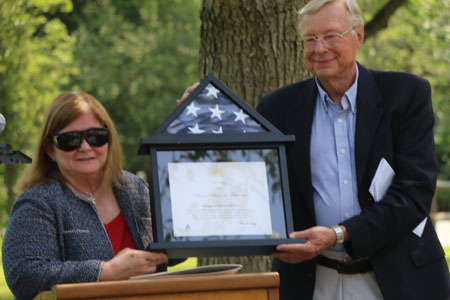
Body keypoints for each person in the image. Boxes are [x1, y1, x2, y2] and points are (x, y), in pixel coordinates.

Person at [178, 0, 450, 299]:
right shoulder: (277, 108)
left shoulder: (406, 95)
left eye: (331, 36)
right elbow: (249, 177)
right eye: (310, 39)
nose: (319, 49)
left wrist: (338, 235)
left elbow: (414, 195)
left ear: (358, 35)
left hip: (399, 281)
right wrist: (208, 114)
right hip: (312, 282)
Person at [2, 91, 169, 300]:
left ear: (109, 140)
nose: (85, 147)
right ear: (49, 149)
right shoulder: (36, 203)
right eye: (69, 140)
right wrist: (106, 272)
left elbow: (172, 248)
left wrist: (191, 128)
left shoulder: (135, 189)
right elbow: (25, 275)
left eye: (96, 136)